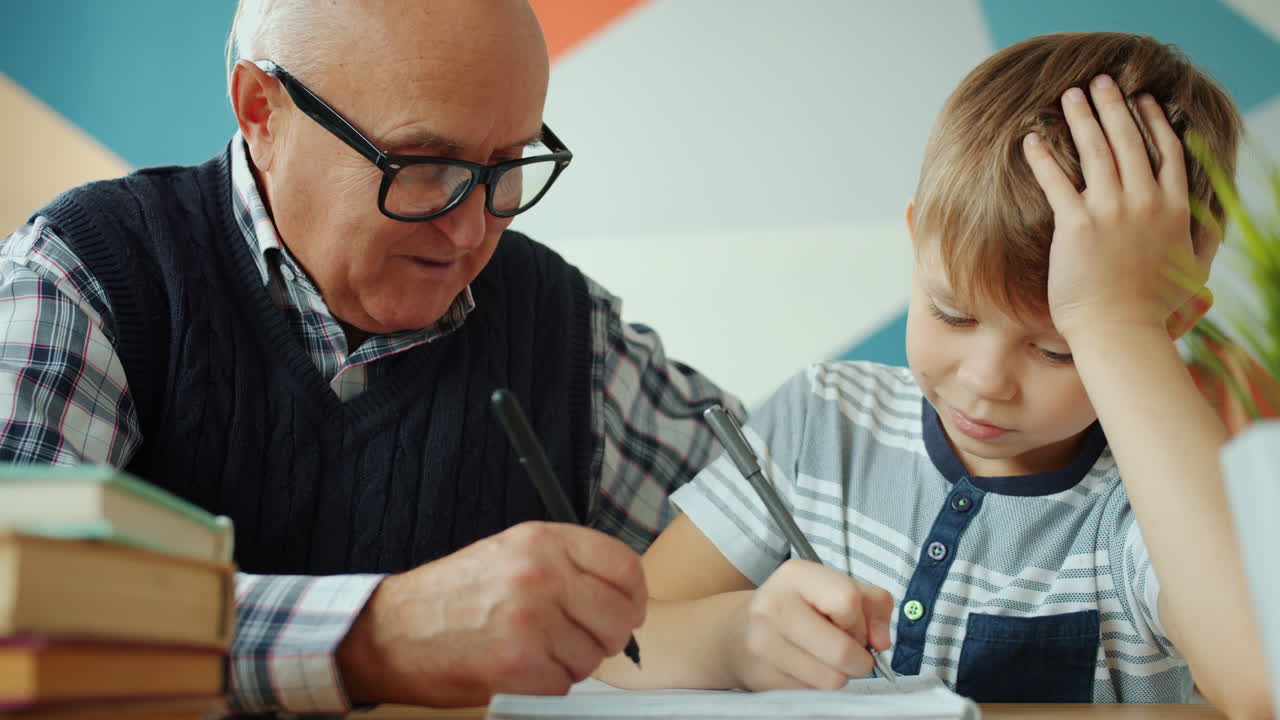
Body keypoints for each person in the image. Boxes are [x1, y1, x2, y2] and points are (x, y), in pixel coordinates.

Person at [0, 0, 742, 713]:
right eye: (422, 164)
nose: (471, 230)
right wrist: (375, 635)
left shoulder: (562, 327)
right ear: (263, 111)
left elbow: (762, 492)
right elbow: (16, 607)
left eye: (506, 164)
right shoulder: (83, 277)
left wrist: (768, 619)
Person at [594, 32, 1274, 717]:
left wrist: (1116, 321)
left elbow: (1263, 679)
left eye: (1060, 349)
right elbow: (619, 634)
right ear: (918, 239)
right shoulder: (821, 423)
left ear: (1170, 327)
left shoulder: (1151, 513)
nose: (985, 382)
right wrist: (731, 642)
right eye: (953, 313)